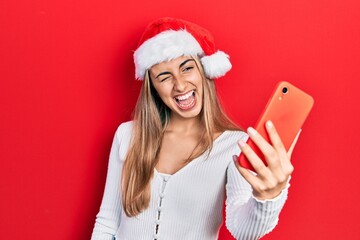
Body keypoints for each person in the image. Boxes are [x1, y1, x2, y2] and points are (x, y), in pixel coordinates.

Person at [91, 17, 299, 240]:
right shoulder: (128, 135)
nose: (180, 85)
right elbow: (107, 222)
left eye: (187, 68)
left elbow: (243, 230)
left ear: (204, 71)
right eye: (164, 76)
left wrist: (268, 198)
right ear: (153, 88)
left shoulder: (235, 145)